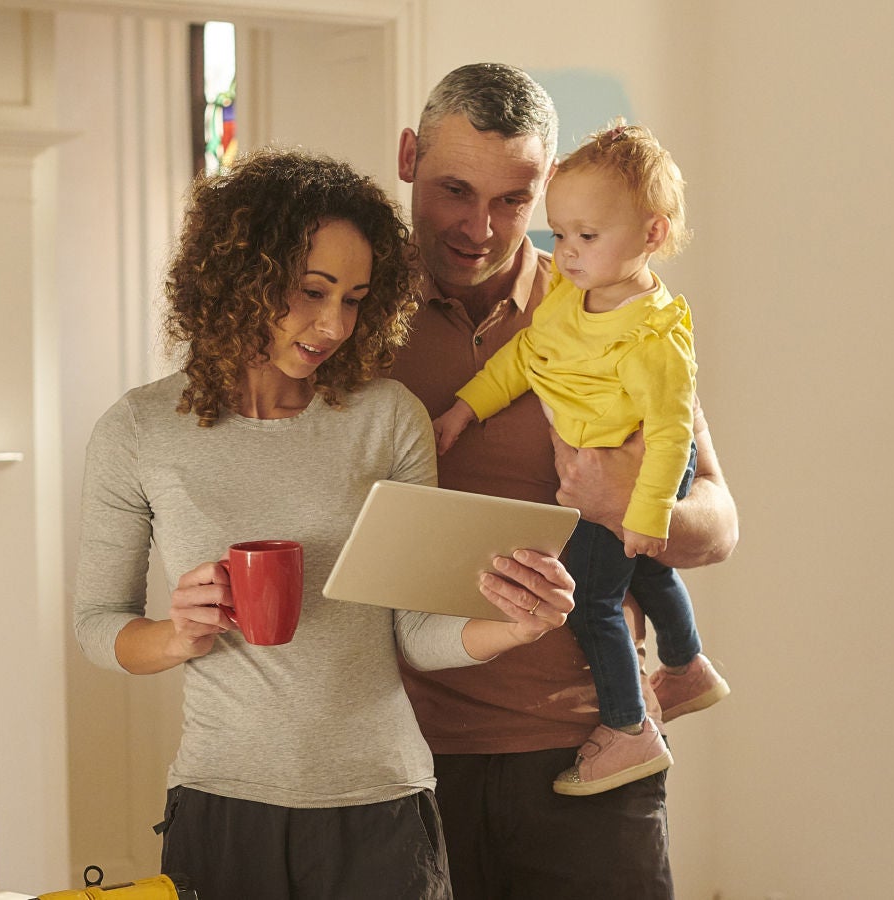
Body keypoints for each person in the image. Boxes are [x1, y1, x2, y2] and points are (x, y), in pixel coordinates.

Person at [71, 148, 576, 900]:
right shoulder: (139, 431)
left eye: (355, 298)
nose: (333, 324)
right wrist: (176, 635)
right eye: (312, 291)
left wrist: (516, 625)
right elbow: (96, 625)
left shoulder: (387, 420)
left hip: (382, 806)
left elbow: (411, 632)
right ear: (240, 278)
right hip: (221, 804)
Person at [389, 63, 740, 900]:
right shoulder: (351, 317)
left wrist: (630, 503)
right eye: (454, 191)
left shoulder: (611, 312)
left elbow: (719, 520)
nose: (481, 227)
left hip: (590, 751)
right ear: (408, 159)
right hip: (401, 761)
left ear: (546, 188)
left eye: (513, 200)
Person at [431, 119, 729, 797]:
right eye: (559, 233)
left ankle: (627, 730)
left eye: (586, 237)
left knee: (596, 599)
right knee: (643, 575)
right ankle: (686, 666)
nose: (564, 252)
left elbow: (674, 436)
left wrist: (641, 509)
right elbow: (525, 359)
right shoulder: (570, 299)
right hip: (447, 737)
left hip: (644, 472)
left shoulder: (655, 337)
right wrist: (465, 409)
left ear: (650, 235)